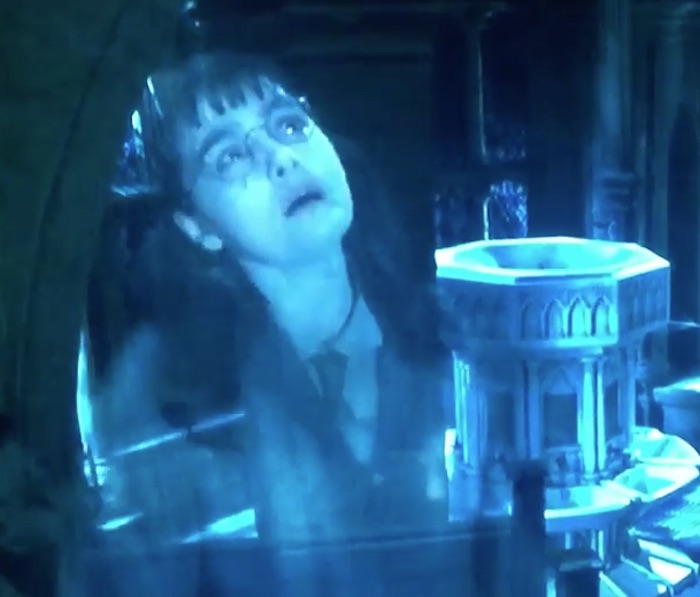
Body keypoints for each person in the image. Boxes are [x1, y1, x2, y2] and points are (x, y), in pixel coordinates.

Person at [90, 51, 452, 596]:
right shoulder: (159, 388)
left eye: (289, 125)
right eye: (230, 156)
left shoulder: (452, 328)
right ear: (197, 226)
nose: (281, 157)